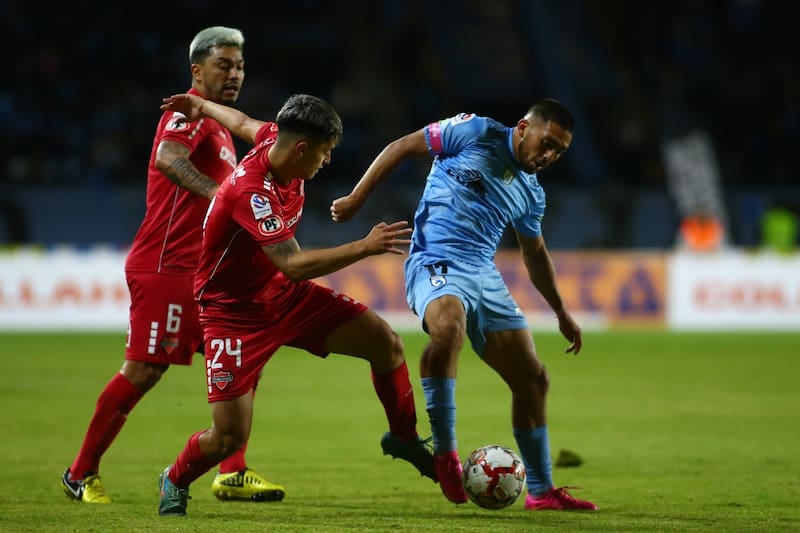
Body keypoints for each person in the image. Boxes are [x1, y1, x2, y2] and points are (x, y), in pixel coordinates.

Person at [155, 92, 435, 517]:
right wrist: (364, 246)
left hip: (284, 297)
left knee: (386, 343)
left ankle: (404, 439)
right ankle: (174, 478)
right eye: (324, 154)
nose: (325, 163)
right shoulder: (252, 191)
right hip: (234, 315)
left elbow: (243, 119)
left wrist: (203, 107)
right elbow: (293, 265)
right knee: (228, 438)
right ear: (302, 148)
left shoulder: (274, 139)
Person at [331, 99, 598, 511]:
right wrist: (355, 199)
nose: (548, 156)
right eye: (546, 143)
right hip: (434, 259)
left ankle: (542, 492)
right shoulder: (475, 132)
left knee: (533, 380)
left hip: (482, 274)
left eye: (559, 152)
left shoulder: (531, 193)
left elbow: (535, 253)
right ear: (524, 127)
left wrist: (561, 312)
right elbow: (401, 146)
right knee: (448, 329)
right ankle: (445, 453)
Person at [62, 26, 285, 504]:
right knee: (144, 370)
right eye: (224, 65)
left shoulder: (222, 127)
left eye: (240, 66)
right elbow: (168, 158)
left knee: (242, 358)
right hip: (167, 266)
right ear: (197, 71)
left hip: (201, 273)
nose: (234, 74)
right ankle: (80, 472)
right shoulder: (188, 113)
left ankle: (232, 471)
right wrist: (222, 197)